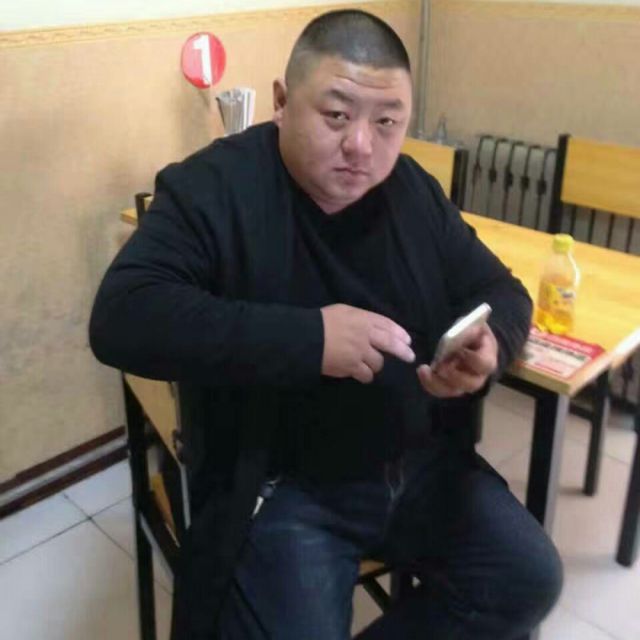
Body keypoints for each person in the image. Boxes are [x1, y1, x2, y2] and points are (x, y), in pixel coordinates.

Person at [90, 9, 562, 639]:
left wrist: (490, 344)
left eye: (387, 122)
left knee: (529, 577)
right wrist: (310, 339)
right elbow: (121, 315)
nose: (361, 146)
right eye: (336, 115)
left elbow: (500, 289)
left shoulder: (411, 191)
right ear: (282, 102)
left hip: (414, 465)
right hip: (286, 489)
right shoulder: (214, 187)